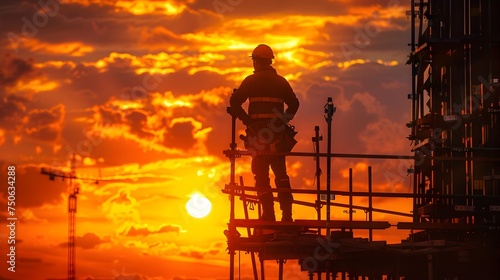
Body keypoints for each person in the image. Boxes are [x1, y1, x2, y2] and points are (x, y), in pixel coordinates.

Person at [229, 44, 300, 222]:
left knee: (261, 176)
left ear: (259, 62)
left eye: (254, 60)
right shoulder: (281, 82)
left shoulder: (250, 81)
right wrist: (281, 122)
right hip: (276, 135)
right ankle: (287, 216)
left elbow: (235, 102)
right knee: (281, 176)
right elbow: (294, 105)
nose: (253, 64)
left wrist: (247, 121)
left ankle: (268, 214)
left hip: (258, 136)